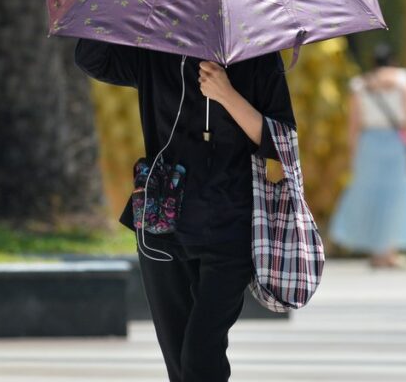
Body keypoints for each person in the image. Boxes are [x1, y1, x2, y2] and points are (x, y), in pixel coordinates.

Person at [74, 39, 295, 381]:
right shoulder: (155, 47)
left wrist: (226, 94)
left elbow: (280, 142)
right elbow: (93, 59)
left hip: (232, 224)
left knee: (200, 353)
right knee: (179, 360)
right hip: (162, 224)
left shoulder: (257, 54)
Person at [330, 44, 406, 268]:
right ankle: (388, 251)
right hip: (395, 142)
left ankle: (380, 252)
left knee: (370, 194)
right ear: (393, 61)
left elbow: (354, 124)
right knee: (395, 195)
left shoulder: (359, 85)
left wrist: (352, 154)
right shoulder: (404, 79)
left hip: (369, 143)